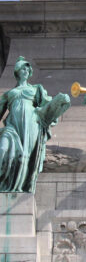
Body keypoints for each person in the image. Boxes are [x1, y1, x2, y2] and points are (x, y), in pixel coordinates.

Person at [0, 56, 70, 192]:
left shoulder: (36, 89)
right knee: (3, 149)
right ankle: (4, 183)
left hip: (31, 124)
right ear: (17, 71)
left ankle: (18, 187)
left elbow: (47, 106)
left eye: (28, 68)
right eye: (23, 68)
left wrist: (60, 100)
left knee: (24, 156)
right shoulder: (9, 93)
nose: (26, 70)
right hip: (12, 126)